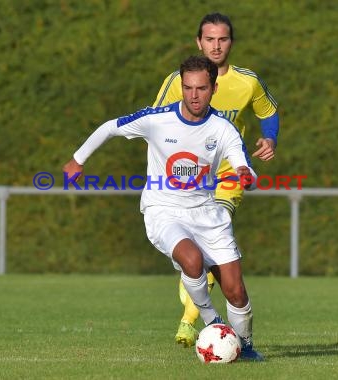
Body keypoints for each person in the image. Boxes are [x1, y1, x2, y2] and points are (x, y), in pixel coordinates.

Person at [63, 55, 264, 361]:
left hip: (208, 214)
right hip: (163, 209)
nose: (193, 95)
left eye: (201, 88)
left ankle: (245, 346)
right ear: (181, 87)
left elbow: (241, 165)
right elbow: (110, 127)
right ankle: (212, 320)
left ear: (214, 87)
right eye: (187, 88)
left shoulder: (223, 129)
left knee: (236, 291)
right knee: (192, 260)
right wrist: (78, 159)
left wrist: (246, 175)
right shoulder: (157, 119)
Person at [153, 12, 280, 348]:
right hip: (186, 180)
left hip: (226, 176)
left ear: (231, 43)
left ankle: (189, 321)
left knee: (216, 230)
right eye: (209, 39)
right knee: (198, 253)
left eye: (222, 39)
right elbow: (156, 124)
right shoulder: (177, 81)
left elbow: (268, 112)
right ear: (199, 42)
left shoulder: (247, 82)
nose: (216, 45)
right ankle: (197, 287)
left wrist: (270, 140)